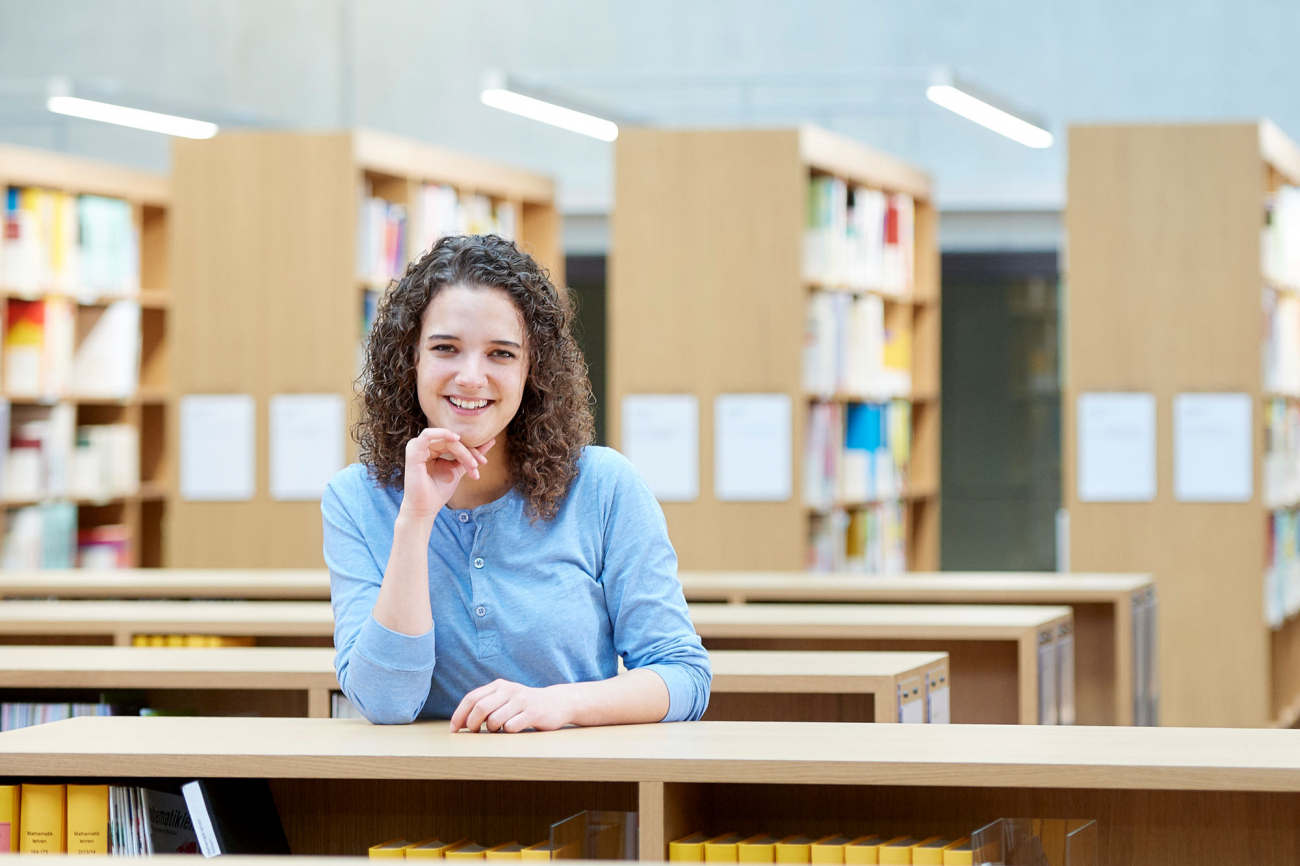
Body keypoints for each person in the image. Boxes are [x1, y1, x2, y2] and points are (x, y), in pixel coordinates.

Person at [324, 234, 711, 732]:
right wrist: (416, 522)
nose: (470, 377)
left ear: (533, 369)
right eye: (446, 348)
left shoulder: (604, 487)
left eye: (501, 354)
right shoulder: (354, 499)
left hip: (577, 787)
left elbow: (683, 676)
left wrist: (562, 704)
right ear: (411, 359)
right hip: (414, 796)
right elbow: (386, 703)